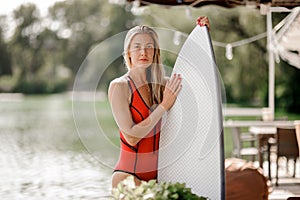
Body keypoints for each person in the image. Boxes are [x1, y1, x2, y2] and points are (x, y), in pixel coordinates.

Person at [108, 16, 210, 188]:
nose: (144, 53)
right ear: (128, 53)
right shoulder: (120, 86)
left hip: (162, 179)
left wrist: (203, 35)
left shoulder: (162, 86)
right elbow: (131, 137)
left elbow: (199, 85)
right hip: (128, 179)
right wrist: (163, 106)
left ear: (156, 52)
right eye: (137, 47)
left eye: (149, 47)